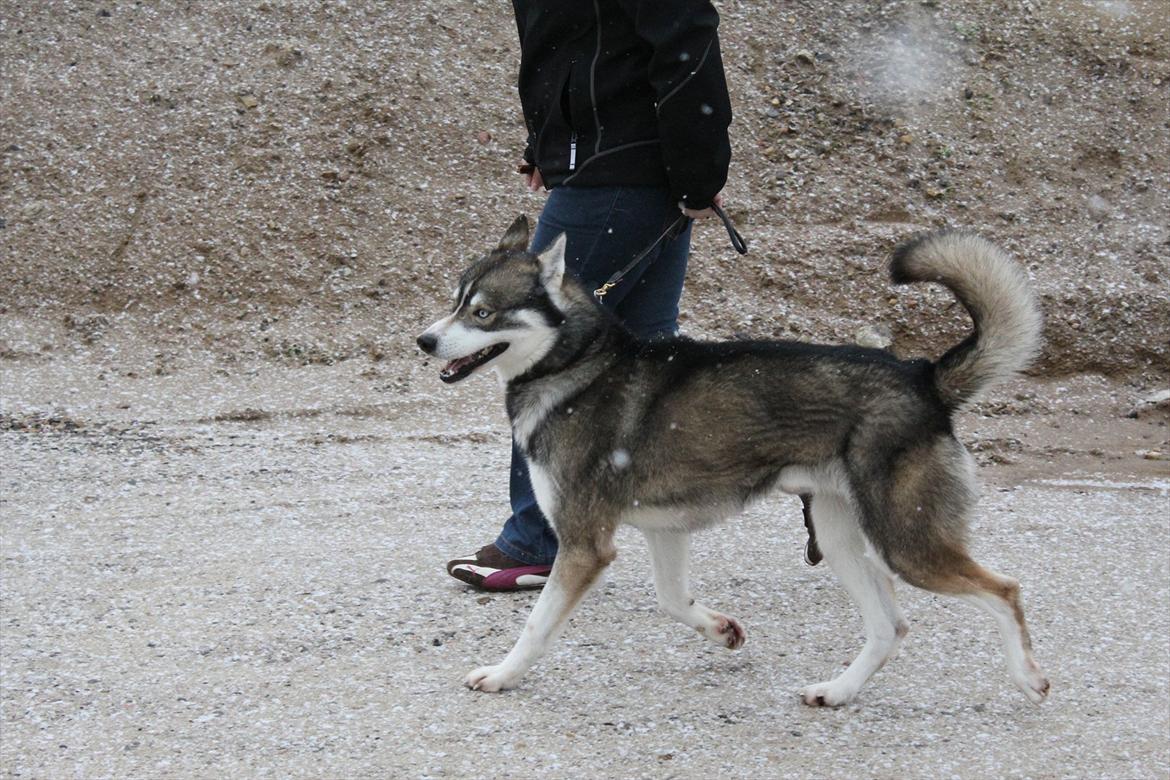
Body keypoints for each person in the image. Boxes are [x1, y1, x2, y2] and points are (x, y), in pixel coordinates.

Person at [447, 0, 819, 591]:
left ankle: (538, 542)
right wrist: (545, 145)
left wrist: (700, 174)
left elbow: (687, 39)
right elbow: (558, 43)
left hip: (623, 172)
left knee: (543, 352)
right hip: (609, 168)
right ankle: (794, 460)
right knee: (652, 367)